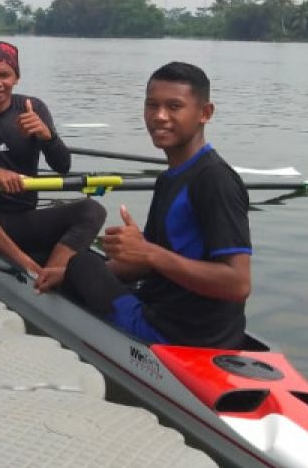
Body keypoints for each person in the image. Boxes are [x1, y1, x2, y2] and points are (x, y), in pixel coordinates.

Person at [63, 62, 252, 348]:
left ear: (205, 113)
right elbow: (144, 263)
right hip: (205, 329)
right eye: (152, 105)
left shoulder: (215, 180)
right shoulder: (170, 178)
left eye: (174, 107)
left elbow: (239, 284)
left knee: (84, 262)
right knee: (84, 268)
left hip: (172, 335)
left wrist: (147, 253)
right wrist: (67, 275)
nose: (159, 116)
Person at [0, 41, 105, 291]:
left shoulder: (33, 108)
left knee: (92, 210)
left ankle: (50, 274)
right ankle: (27, 264)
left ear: (16, 78)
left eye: (4, 75)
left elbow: (63, 166)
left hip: (26, 218)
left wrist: (47, 136)